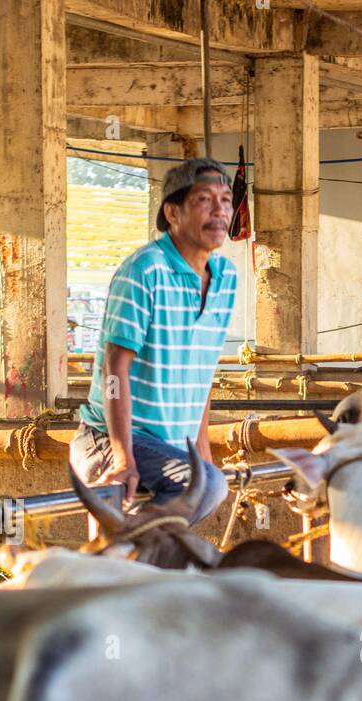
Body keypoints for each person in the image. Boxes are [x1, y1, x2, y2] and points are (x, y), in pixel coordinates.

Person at [70, 157, 237, 524]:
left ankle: (129, 556)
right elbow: (114, 369)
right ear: (172, 213)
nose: (219, 211)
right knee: (207, 488)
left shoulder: (226, 277)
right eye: (204, 200)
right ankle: (123, 551)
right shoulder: (144, 270)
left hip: (169, 446)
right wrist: (122, 458)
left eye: (225, 200)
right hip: (112, 437)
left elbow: (202, 373)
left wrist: (203, 453)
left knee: (209, 483)